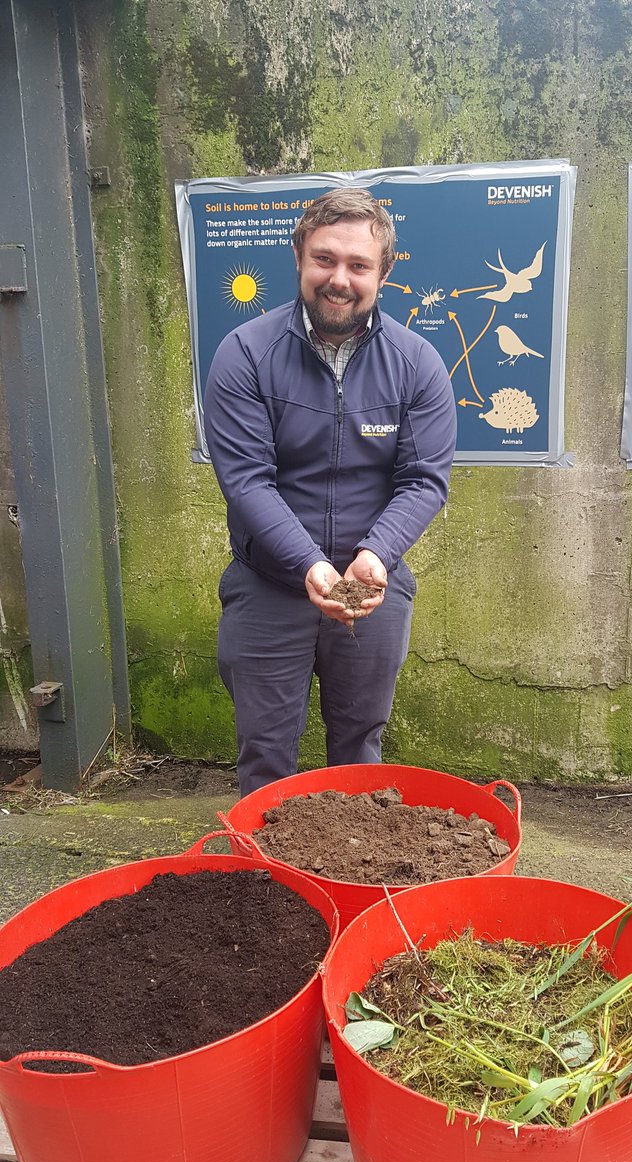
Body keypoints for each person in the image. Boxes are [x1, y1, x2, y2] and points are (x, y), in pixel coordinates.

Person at [204, 187, 456, 796]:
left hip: (371, 590)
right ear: (299, 256)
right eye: (324, 259)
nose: (338, 279)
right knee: (264, 755)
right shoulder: (244, 355)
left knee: (359, 753)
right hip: (269, 586)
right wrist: (309, 564)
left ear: (383, 272)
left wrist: (375, 557)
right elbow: (246, 480)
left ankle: (356, 885)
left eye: (358, 265)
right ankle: (268, 886)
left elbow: (423, 479)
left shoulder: (417, 364)